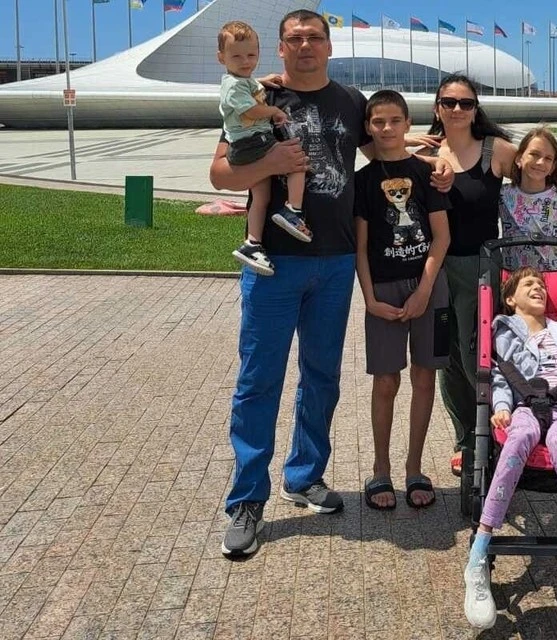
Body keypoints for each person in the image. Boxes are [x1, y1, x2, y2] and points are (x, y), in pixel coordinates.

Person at [210, 9, 452, 558]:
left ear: (329, 45)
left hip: (337, 260)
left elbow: (384, 150)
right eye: (294, 39)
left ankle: (304, 477)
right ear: (280, 48)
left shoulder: (349, 101)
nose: (305, 46)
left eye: (314, 37)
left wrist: (436, 162)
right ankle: (246, 499)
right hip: (275, 262)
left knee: (321, 376)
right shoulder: (258, 96)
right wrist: (270, 160)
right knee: (259, 379)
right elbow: (221, 173)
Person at [422, 75, 557, 478]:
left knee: (478, 356)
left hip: (484, 268)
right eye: (449, 102)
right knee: (447, 358)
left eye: (466, 103)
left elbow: (536, 169)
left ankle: (499, 430)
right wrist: (416, 146)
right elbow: (381, 147)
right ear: (437, 107)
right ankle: (467, 440)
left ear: (476, 108)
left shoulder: (495, 149)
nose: (458, 109)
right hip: (437, 266)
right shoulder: (428, 149)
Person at [463, 267, 557, 629]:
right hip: (525, 406)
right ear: (510, 299)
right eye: (528, 284)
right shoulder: (504, 329)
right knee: (519, 436)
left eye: (542, 285)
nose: (539, 288)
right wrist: (501, 407)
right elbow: (499, 375)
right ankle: (478, 556)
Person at [354, 90, 451, 510]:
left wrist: (424, 290)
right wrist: (370, 299)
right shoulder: (363, 180)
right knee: (386, 380)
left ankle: (414, 467)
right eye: (378, 122)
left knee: (425, 377)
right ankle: (381, 469)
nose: (387, 128)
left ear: (408, 124)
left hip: (429, 284)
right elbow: (361, 248)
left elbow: (441, 237)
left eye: (395, 120)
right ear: (369, 127)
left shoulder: (427, 173)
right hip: (384, 289)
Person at [217, 20, 310, 276]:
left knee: (261, 198)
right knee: (296, 161)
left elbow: (246, 86)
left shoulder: (240, 81)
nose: (245, 61)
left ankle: (252, 243)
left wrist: (261, 81)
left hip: (245, 145)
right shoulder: (234, 85)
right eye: (236, 56)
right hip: (253, 142)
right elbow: (251, 110)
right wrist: (274, 111)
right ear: (221, 57)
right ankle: (293, 210)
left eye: (251, 55)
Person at [499, 125, 557, 271]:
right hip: (516, 279)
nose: (540, 162)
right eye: (534, 154)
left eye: (548, 158)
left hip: (555, 275)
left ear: (553, 167)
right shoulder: (503, 195)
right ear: (519, 158)